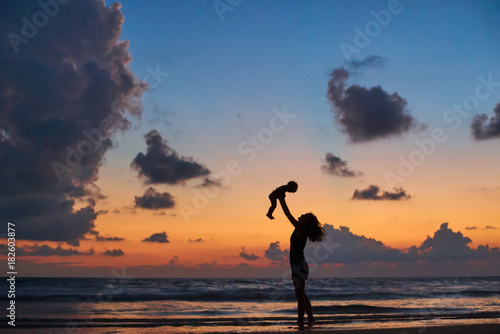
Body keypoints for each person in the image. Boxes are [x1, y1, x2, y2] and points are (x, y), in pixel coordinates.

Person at [277, 195, 325, 330]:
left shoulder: (300, 228)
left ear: (305, 222)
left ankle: (300, 322)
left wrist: (281, 199)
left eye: (304, 215)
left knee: (299, 295)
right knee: (302, 294)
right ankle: (310, 319)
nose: (302, 214)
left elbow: (287, 214)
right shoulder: (300, 228)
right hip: (299, 265)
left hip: (299, 266)